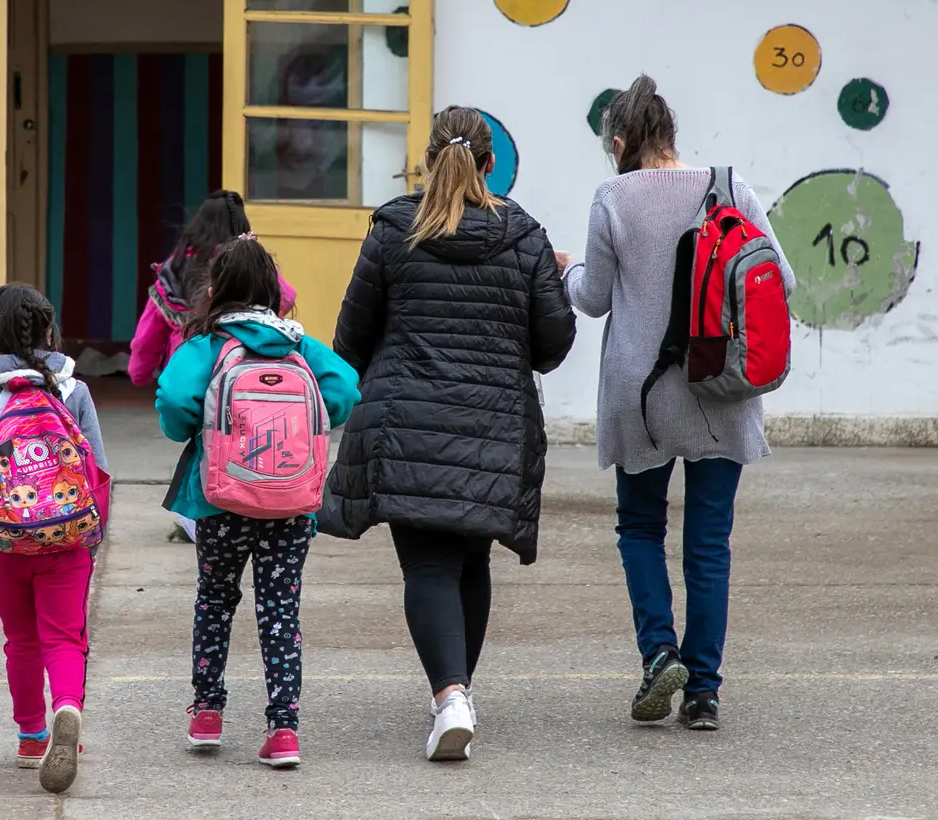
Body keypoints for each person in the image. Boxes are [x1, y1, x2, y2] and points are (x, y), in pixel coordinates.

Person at [319, 106, 576, 762]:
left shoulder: (393, 230)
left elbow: (349, 340)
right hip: (495, 424)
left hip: (408, 422)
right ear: (490, 165)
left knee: (427, 564)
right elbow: (552, 346)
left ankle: (450, 695)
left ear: (428, 161)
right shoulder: (523, 237)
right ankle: (457, 693)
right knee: (471, 560)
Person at [558, 76, 793, 734]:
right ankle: (705, 694)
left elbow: (595, 297)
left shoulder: (613, 198)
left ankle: (659, 652)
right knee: (709, 543)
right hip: (720, 385)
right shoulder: (729, 185)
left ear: (624, 141)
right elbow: (784, 278)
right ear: (672, 134)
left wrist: (565, 268)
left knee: (640, 529)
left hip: (643, 393)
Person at [154, 235, 360, 769]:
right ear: (274, 290)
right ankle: (284, 730)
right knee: (280, 611)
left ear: (216, 289)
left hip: (219, 501)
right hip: (291, 502)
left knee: (215, 601)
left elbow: (175, 402)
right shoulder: (299, 346)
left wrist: (194, 427)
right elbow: (345, 390)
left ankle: (206, 713)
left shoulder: (206, 346)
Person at [0, 283, 110, 794]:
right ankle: (68, 708)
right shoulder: (73, 391)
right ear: (48, 329)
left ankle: (32, 735)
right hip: (67, 542)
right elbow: (98, 468)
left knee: (21, 640)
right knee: (65, 637)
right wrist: (89, 537)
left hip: (5, 541)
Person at [130, 190, 297, 544]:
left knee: (198, 443)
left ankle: (195, 516)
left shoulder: (175, 269)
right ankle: (247, 501)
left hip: (191, 374)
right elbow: (286, 297)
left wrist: (140, 372)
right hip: (240, 370)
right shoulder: (243, 264)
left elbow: (149, 331)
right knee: (238, 437)